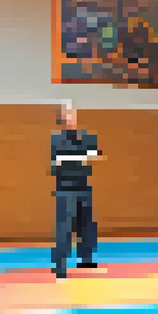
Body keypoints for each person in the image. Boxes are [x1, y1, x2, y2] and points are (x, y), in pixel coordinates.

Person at [50, 103, 100, 279]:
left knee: (86, 225)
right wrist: (79, 158)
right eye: (67, 114)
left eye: (73, 113)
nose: (71, 117)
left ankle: (86, 258)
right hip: (65, 188)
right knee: (64, 227)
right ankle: (60, 266)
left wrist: (75, 159)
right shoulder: (56, 138)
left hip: (83, 186)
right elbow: (56, 162)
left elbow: (95, 155)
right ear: (62, 117)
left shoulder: (85, 136)